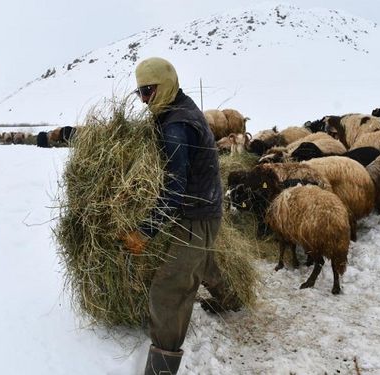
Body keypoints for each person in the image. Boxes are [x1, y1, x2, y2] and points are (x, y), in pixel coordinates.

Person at [119, 57, 242, 375]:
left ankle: (162, 368)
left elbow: (174, 189)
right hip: (204, 208)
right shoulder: (179, 109)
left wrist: (144, 232)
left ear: (166, 84)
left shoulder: (176, 124)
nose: (145, 100)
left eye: (149, 91)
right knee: (202, 262)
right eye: (140, 93)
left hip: (196, 213)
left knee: (169, 288)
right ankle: (232, 300)